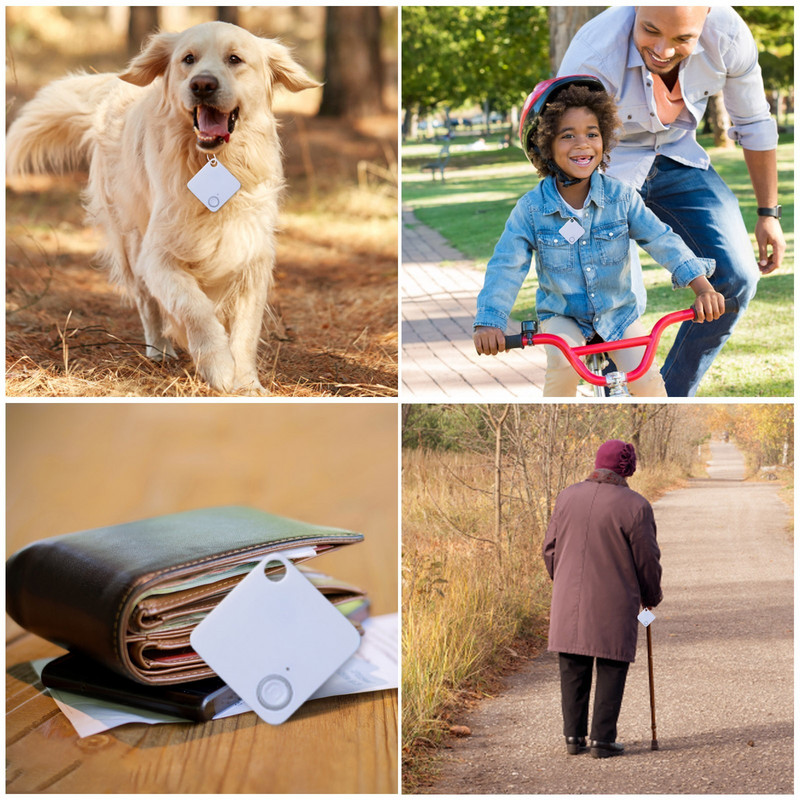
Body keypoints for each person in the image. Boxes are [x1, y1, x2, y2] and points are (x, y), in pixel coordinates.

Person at [558, 7, 785, 396]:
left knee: (737, 279)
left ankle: (670, 395)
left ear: (706, 17)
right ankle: (614, 385)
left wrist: (768, 214)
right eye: (650, 31)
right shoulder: (594, 54)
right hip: (604, 167)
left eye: (683, 39)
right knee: (612, 301)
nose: (663, 50)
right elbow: (561, 145)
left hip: (679, 156)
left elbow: (753, 122)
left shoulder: (728, 37)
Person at [473, 76, 724, 397]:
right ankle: (554, 434)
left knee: (647, 380)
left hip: (617, 314)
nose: (583, 144)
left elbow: (662, 239)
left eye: (592, 134)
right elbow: (506, 267)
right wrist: (489, 322)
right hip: (563, 318)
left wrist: (701, 287)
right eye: (567, 136)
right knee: (563, 367)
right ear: (543, 144)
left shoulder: (621, 199)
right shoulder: (532, 211)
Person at [543, 440, 663, 759]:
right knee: (611, 664)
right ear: (627, 468)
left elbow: (549, 549)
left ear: (598, 462)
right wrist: (651, 595)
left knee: (573, 665)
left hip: (567, 600)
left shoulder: (567, 496)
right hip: (614, 600)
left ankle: (573, 737)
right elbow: (647, 559)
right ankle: (602, 740)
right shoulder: (636, 506)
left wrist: (565, 581)